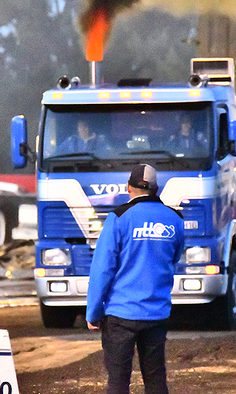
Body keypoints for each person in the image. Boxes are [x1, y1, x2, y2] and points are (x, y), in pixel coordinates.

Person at [86, 164, 184, 394]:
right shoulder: (175, 219)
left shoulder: (118, 218)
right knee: (156, 378)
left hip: (121, 315)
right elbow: (174, 258)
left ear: (128, 187)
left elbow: (102, 269)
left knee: (118, 381)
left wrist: (93, 312)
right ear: (156, 189)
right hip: (156, 313)